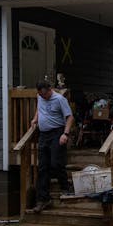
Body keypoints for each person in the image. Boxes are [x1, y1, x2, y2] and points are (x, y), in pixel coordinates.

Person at [30, 79, 74, 212]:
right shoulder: (40, 96)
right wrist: (35, 118)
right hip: (43, 135)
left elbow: (69, 117)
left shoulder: (60, 99)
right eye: (41, 95)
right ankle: (43, 199)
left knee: (56, 163)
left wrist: (65, 134)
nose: (43, 97)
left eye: (45, 94)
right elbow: (39, 107)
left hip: (57, 133)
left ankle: (65, 188)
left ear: (50, 89)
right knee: (42, 167)